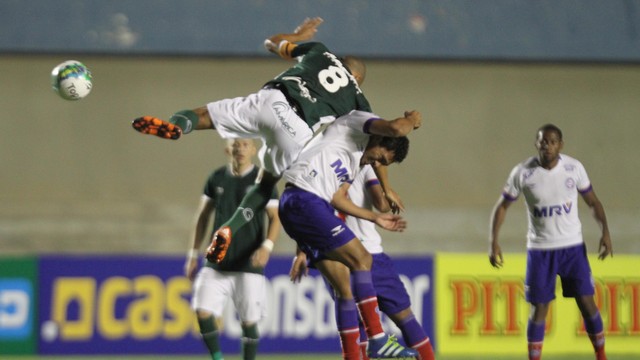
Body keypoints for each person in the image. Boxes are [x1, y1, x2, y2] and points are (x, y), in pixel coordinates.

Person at [131, 17, 403, 263]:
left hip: (274, 101)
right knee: (265, 186)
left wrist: (297, 34)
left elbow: (271, 43)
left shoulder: (320, 51)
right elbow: (377, 142)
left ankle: (176, 127)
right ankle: (230, 229)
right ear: (357, 78)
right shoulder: (359, 99)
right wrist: (386, 186)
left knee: (203, 116)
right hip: (297, 133)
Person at [278, 109, 421, 359]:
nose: (375, 164)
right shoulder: (352, 123)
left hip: (302, 205)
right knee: (363, 260)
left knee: (344, 289)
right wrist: (412, 120)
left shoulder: (354, 162)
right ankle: (377, 339)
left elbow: (337, 198)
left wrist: (375, 218)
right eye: (380, 159)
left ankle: (352, 356)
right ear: (379, 140)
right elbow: (397, 128)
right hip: (304, 198)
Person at [488, 124, 612, 360]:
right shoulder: (523, 172)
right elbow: (502, 206)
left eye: (552, 141)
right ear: (536, 143)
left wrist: (605, 231)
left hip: (572, 248)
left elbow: (593, 203)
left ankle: (601, 355)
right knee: (539, 310)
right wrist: (493, 241)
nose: (547, 145)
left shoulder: (573, 168)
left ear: (560, 145)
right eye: (543, 141)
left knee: (587, 303)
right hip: (540, 251)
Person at [290, 164, 436, 360]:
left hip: (336, 254)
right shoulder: (365, 166)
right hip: (369, 253)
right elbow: (382, 205)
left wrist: (301, 251)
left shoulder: (320, 165)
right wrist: (386, 187)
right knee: (404, 317)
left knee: (356, 322)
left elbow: (306, 214)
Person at [185, 139, 280, 360]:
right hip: (216, 262)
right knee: (202, 311)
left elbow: (276, 217)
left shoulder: (263, 182)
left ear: (254, 150)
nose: (240, 149)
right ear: (227, 149)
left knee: (248, 321)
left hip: (248, 262)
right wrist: (192, 254)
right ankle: (217, 358)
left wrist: (267, 246)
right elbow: (202, 217)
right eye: (235, 144)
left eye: (245, 145)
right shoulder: (216, 178)